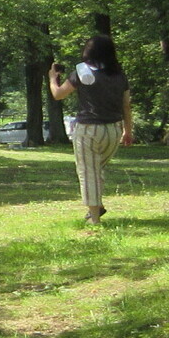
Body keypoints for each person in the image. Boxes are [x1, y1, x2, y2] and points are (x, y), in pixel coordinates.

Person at [49, 34, 134, 226]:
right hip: (113, 129)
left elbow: (58, 94)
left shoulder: (81, 72)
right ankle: (98, 206)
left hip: (88, 129)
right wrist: (128, 131)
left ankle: (94, 219)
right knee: (96, 169)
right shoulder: (120, 76)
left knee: (88, 172)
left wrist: (52, 79)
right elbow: (126, 105)